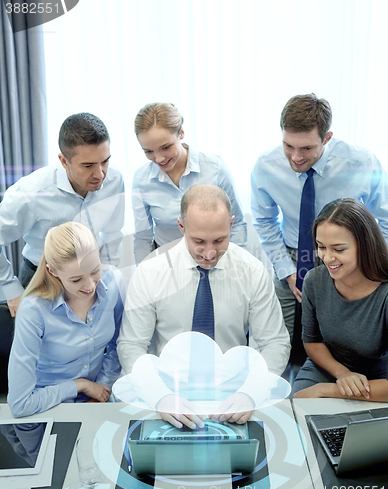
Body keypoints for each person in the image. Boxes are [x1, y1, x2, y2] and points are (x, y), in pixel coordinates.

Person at [117, 184, 290, 427]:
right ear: (181, 227)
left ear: (231, 225)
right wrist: (159, 396)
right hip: (167, 394)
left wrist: (251, 393)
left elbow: (275, 342)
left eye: (219, 240)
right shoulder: (150, 271)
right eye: (198, 241)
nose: (209, 253)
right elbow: (131, 345)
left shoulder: (252, 271)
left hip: (233, 398)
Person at [251, 93, 388, 340]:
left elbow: (386, 218)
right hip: (293, 256)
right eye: (288, 146)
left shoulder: (361, 163)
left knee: (338, 338)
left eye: (306, 148)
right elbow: (264, 220)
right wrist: (286, 270)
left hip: (348, 258)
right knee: (282, 337)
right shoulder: (265, 166)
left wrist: (370, 263)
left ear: (327, 138)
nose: (295, 157)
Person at [0, 112, 125, 317]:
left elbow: (113, 232)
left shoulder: (115, 179)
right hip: (43, 281)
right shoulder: (30, 193)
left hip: (91, 277)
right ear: (64, 161)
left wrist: (108, 277)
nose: (100, 174)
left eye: (105, 161)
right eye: (88, 166)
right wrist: (11, 291)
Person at [7, 222, 124, 418]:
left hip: (97, 400)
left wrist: (101, 387)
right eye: (76, 279)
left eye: (95, 270)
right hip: (46, 407)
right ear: (52, 271)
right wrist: (80, 386)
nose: (90, 286)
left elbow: (117, 344)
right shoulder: (34, 309)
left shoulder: (114, 283)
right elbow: (20, 405)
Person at [291, 199, 388, 401]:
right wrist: (342, 374)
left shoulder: (385, 293)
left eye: (338, 249)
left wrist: (327, 390)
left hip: (379, 381)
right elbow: (312, 342)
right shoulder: (314, 281)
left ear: (365, 245)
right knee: (295, 413)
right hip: (326, 367)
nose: (326, 258)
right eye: (321, 247)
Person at [132, 102, 247, 263]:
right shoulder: (141, 180)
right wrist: (142, 276)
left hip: (216, 262)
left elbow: (237, 223)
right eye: (149, 151)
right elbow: (143, 238)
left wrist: (237, 266)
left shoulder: (215, 168)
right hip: (169, 267)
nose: (158, 158)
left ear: (181, 133)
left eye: (165, 147)